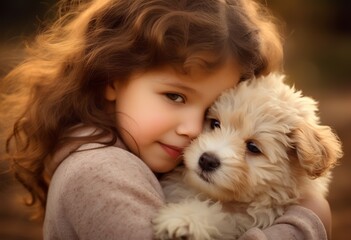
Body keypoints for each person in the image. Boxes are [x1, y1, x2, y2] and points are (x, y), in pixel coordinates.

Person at [0, 0, 331, 239]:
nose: (192, 130)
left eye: (208, 115)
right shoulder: (99, 173)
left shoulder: (140, 157)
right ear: (112, 78)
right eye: (175, 96)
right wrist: (308, 221)